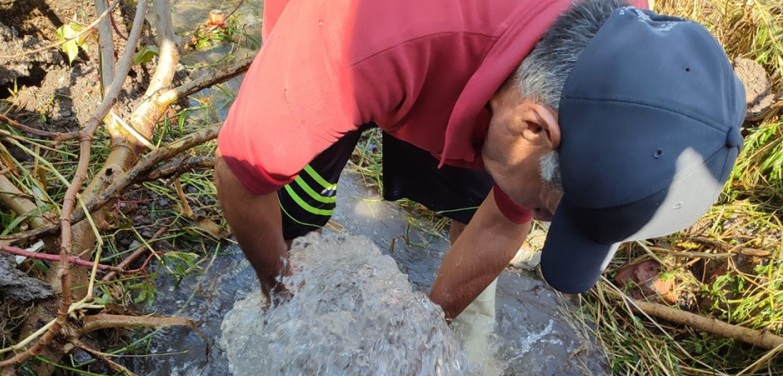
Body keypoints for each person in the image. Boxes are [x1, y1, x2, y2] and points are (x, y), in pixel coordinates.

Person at [215, 0, 745, 326]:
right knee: (295, 205)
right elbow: (241, 177)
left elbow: (504, 213)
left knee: (486, 188)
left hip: (497, 68)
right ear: (533, 127)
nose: (539, 219)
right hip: (370, 38)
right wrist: (280, 290)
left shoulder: (634, 55)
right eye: (546, 212)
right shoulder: (356, 47)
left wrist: (425, 333)